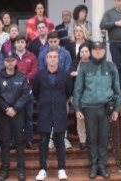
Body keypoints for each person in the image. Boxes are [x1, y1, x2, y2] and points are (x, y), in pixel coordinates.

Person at [73, 41, 121, 179]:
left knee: (103, 139)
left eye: (100, 49)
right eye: (95, 49)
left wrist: (116, 109)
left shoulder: (111, 67)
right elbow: (78, 90)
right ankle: (94, 166)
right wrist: (77, 109)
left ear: (104, 51)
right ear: (91, 51)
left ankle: (103, 166)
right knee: (92, 139)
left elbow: (117, 90)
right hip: (89, 108)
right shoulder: (84, 67)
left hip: (106, 108)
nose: (98, 52)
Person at [33, 50, 74, 181]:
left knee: (60, 141)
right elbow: (35, 93)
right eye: (49, 57)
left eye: (54, 57)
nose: (52, 59)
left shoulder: (65, 75)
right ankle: (42, 169)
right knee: (43, 141)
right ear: (46, 59)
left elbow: (68, 92)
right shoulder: (39, 75)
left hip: (60, 111)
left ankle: (61, 169)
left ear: (58, 59)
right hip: (44, 111)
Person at [0, 52, 31, 181]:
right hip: (4, 114)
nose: (10, 63)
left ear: (16, 62)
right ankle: (4, 169)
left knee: (19, 142)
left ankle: (21, 169)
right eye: (7, 61)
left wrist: (15, 108)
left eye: (12, 61)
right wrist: (6, 108)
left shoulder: (21, 77)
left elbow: (25, 94)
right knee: (5, 143)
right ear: (4, 62)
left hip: (18, 113)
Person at [13, 35, 39, 149]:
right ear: (15, 44)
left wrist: (23, 78)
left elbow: (35, 71)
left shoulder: (32, 56)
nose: (20, 44)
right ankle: (15, 141)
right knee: (14, 119)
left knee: (28, 118)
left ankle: (29, 141)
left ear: (25, 44)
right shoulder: (10, 56)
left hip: (28, 92)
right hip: (13, 94)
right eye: (18, 42)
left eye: (22, 42)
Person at [70, 44, 92, 150]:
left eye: (86, 51)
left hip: (91, 95)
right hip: (77, 94)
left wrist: (78, 74)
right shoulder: (75, 63)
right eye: (82, 51)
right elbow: (71, 74)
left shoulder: (94, 64)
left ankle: (91, 139)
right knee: (80, 119)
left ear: (89, 53)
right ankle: (82, 141)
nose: (84, 53)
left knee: (91, 119)